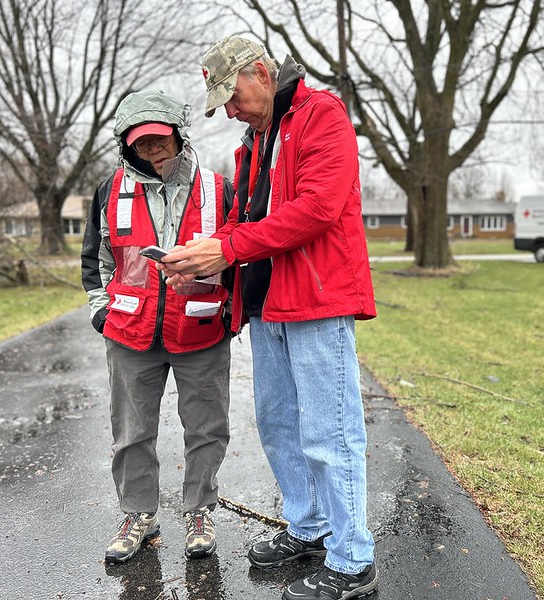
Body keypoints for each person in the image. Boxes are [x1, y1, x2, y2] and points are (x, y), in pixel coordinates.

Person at [159, 36, 378, 600]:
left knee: (330, 431)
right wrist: (202, 263)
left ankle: (353, 559)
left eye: (231, 96)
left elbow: (318, 208)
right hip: (266, 304)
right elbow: (240, 225)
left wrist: (227, 250)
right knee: (278, 425)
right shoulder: (251, 143)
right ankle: (309, 528)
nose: (229, 110)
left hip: (318, 300)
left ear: (261, 72)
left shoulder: (321, 115)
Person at [81, 90, 234, 564]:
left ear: (178, 136)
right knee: (131, 432)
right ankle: (138, 514)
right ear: (127, 145)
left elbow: (239, 255)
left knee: (207, 429)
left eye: (160, 140)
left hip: (201, 331)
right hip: (130, 332)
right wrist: (100, 311)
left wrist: (231, 313)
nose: (152, 150)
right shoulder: (108, 190)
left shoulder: (219, 188)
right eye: (141, 143)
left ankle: (199, 510)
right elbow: (97, 260)